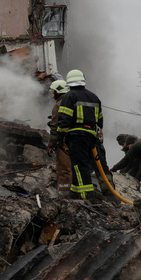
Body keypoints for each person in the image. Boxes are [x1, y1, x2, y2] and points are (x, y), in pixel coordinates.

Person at [56, 69, 102, 200]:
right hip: (91, 137)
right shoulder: (94, 97)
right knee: (84, 164)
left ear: (69, 83)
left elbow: (64, 119)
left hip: (76, 136)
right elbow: (100, 120)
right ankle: (76, 192)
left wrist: (60, 137)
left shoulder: (69, 97)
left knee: (77, 166)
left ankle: (83, 195)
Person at [47, 80, 71, 198]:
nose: (52, 95)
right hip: (79, 142)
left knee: (63, 170)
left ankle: (64, 197)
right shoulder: (74, 101)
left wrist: (51, 144)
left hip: (64, 143)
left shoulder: (59, 104)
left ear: (59, 91)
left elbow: (55, 127)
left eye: (53, 92)